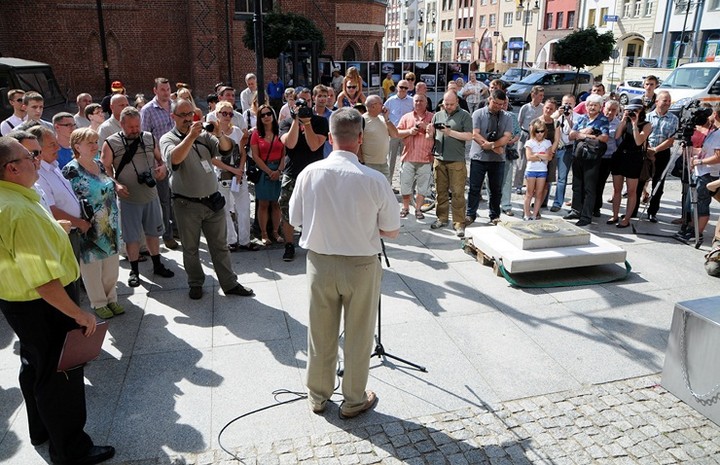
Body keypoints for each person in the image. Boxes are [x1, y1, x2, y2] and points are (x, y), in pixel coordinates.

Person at [0, 136, 116, 465]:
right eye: (29, 156)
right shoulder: (19, 211)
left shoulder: (11, 198)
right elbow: (43, 281)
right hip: (44, 304)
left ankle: (42, 430)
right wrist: (80, 315)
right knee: (62, 373)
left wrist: (53, 229)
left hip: (16, 299)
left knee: (35, 364)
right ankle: (71, 449)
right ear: (11, 168)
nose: (36, 160)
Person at [288, 107, 400, 419]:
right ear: (360, 138)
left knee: (320, 333)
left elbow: (295, 220)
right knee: (359, 333)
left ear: (330, 137)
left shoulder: (309, 173)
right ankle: (353, 399)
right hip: (361, 264)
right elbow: (391, 230)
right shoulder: (374, 179)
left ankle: (318, 395)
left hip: (320, 263)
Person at [160, 99, 254, 300]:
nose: (187, 119)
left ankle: (229, 283)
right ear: (173, 117)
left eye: (190, 114)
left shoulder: (203, 135)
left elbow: (227, 149)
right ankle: (195, 283)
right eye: (182, 115)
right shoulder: (168, 138)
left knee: (220, 246)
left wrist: (219, 133)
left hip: (212, 201)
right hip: (187, 204)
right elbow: (174, 159)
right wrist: (190, 137)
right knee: (191, 248)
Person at [102, 107, 175, 287]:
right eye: (131, 127)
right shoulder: (111, 143)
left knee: (153, 232)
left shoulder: (149, 138)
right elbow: (104, 169)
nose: (135, 130)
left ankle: (157, 264)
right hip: (128, 199)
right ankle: (134, 271)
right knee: (131, 237)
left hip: (150, 195)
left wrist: (162, 168)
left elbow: (161, 159)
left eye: (137, 126)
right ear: (121, 124)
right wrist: (115, 184)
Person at [62, 128, 123, 319]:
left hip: (110, 222)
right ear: (77, 146)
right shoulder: (71, 170)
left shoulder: (98, 164)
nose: (95, 146)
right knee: (92, 267)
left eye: (96, 142)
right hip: (89, 226)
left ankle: (111, 298)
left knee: (111, 264)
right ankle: (98, 302)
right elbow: (69, 198)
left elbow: (108, 184)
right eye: (90, 143)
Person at [279, 91, 329, 261]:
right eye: (299, 104)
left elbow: (314, 146)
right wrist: (295, 120)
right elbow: (290, 143)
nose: (303, 107)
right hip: (292, 173)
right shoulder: (285, 123)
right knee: (287, 210)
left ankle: (312, 243)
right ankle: (289, 244)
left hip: (314, 174)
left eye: (307, 103)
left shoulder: (321, 122)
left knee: (315, 210)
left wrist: (307, 123)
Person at [427, 91, 473, 236]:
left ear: (457, 102)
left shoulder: (464, 115)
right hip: (439, 159)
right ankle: (442, 218)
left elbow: (469, 136)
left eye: (451, 104)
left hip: (456, 161)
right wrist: (429, 133)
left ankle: (459, 222)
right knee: (440, 192)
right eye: (446, 104)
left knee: (458, 193)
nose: (448, 107)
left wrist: (450, 132)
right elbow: (432, 137)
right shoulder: (438, 115)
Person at [213, 100, 257, 251]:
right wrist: (232, 170)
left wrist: (240, 170)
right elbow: (212, 159)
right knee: (224, 209)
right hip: (221, 175)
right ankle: (231, 240)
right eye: (224, 113)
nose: (227, 116)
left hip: (238, 174)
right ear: (217, 114)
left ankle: (245, 241)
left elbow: (243, 152)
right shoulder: (212, 133)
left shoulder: (237, 131)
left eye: (230, 113)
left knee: (244, 208)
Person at [140, 77, 178, 250]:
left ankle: (178, 228)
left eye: (168, 89)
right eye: (162, 89)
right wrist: (158, 162)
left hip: (178, 159)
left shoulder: (175, 106)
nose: (166, 93)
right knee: (164, 200)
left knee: (178, 197)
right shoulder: (148, 111)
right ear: (155, 91)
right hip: (160, 162)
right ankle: (167, 234)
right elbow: (145, 139)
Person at [467, 89, 513, 227]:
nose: (498, 106)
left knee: (496, 189)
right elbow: (475, 134)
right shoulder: (478, 114)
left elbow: (507, 136)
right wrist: (488, 145)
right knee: (474, 188)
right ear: (489, 100)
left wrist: (492, 145)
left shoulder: (507, 117)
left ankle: (495, 215)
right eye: (496, 103)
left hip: (497, 159)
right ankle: (470, 214)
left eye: (501, 104)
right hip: (478, 157)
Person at [565, 94, 610, 227]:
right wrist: (588, 134)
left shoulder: (603, 120)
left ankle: (586, 216)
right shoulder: (582, 118)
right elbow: (571, 135)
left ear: (600, 107)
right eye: (590, 104)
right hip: (578, 155)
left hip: (592, 157)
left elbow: (604, 138)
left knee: (589, 188)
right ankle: (575, 210)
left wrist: (582, 135)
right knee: (577, 185)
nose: (592, 107)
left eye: (595, 105)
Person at [676, 110, 720, 243]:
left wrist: (700, 161)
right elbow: (706, 151)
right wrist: (692, 151)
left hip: (708, 173)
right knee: (695, 203)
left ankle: (698, 233)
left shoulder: (718, 134)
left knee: (701, 204)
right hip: (701, 171)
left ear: (716, 115)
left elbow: (718, 157)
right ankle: (693, 229)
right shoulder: (715, 132)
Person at [634, 91, 678, 221]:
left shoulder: (674, 119)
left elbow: (671, 140)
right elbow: (642, 135)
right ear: (657, 101)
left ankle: (652, 212)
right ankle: (633, 210)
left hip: (662, 153)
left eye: (669, 101)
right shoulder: (647, 117)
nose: (667, 103)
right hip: (645, 152)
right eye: (665, 100)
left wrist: (656, 150)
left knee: (658, 183)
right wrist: (648, 150)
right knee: (640, 182)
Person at [610, 99, 652, 229]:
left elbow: (639, 141)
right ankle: (615, 215)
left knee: (631, 191)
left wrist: (634, 124)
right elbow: (617, 136)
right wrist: (623, 119)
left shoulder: (646, 124)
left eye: (636, 110)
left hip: (635, 157)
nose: (634, 112)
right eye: (631, 110)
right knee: (617, 189)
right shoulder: (626, 121)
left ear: (641, 110)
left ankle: (627, 218)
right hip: (621, 155)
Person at [250, 103, 285, 245]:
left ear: (273, 115)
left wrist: (279, 170)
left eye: (268, 113)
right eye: (262, 115)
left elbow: (285, 153)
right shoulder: (256, 134)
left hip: (279, 168)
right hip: (264, 170)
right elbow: (255, 156)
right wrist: (269, 171)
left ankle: (276, 232)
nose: (266, 117)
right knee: (263, 203)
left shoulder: (280, 131)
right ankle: (264, 234)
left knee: (277, 203)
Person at [397, 93, 434, 219]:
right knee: (405, 185)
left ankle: (418, 209)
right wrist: (409, 131)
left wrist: (427, 129)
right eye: (416, 101)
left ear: (426, 103)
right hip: (408, 157)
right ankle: (405, 207)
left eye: (421, 101)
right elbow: (397, 133)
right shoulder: (406, 117)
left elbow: (439, 135)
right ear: (413, 103)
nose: (418, 103)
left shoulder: (433, 117)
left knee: (422, 188)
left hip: (426, 158)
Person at [360, 95, 399, 183]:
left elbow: (395, 134)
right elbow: (357, 142)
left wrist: (387, 119)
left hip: (383, 164)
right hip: (369, 164)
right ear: (373, 105)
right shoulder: (362, 120)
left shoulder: (382, 119)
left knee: (385, 191)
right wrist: (362, 161)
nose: (383, 106)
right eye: (381, 103)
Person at [513, 86, 545, 195]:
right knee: (521, 161)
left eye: (542, 95)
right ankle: (518, 185)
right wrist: (516, 136)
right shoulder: (525, 108)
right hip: (525, 134)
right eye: (540, 95)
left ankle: (532, 185)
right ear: (533, 95)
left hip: (537, 136)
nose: (542, 97)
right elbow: (519, 123)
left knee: (535, 161)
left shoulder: (543, 107)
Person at [550, 94, 579, 212]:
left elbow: (574, 132)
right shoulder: (557, 115)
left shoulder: (577, 117)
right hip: (554, 147)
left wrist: (568, 118)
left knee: (562, 178)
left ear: (574, 104)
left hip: (567, 148)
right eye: (565, 103)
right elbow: (546, 122)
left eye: (570, 104)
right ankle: (542, 201)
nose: (567, 106)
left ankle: (557, 203)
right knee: (549, 176)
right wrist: (558, 114)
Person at [383, 80, 414, 188]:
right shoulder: (390, 101)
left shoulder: (412, 101)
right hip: (393, 133)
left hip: (406, 134)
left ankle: (404, 185)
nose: (403, 90)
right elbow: (384, 114)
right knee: (390, 160)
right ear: (397, 87)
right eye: (401, 87)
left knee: (406, 161)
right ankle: (388, 184)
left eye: (406, 88)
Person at [594, 100, 622, 219]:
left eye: (613, 110)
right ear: (603, 108)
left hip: (609, 157)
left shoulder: (618, 124)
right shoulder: (597, 120)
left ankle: (596, 207)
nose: (610, 112)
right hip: (596, 156)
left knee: (600, 183)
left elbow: (619, 142)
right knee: (592, 183)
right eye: (608, 109)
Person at [523, 120, 553, 220]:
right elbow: (529, 157)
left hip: (542, 171)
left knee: (539, 194)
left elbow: (549, 157)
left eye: (542, 131)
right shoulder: (529, 142)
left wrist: (537, 155)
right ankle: (527, 214)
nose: (540, 133)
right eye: (537, 131)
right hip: (531, 170)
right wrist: (542, 157)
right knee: (529, 193)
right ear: (533, 131)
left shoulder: (547, 142)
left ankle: (535, 214)